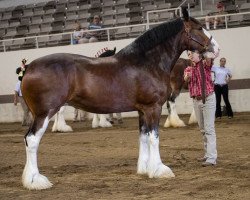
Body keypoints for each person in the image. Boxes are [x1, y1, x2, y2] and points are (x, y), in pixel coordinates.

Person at [184, 51, 217, 167]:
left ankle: (212, 158)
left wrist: (203, 53)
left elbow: (210, 56)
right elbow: (186, 79)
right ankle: (208, 155)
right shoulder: (188, 69)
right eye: (189, 54)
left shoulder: (205, 64)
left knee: (209, 128)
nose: (190, 56)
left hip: (208, 98)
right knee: (203, 129)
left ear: (199, 55)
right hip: (196, 100)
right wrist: (187, 77)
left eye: (193, 53)